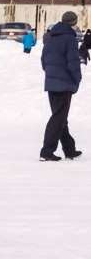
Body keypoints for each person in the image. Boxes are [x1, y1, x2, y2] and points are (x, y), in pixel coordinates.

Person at [40, 11, 83, 161]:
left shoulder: (50, 38)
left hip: (51, 83)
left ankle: (69, 149)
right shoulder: (70, 40)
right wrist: (77, 79)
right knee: (58, 118)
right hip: (64, 85)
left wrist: (51, 75)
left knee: (60, 116)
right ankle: (46, 152)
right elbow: (73, 63)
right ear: (73, 24)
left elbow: (44, 61)